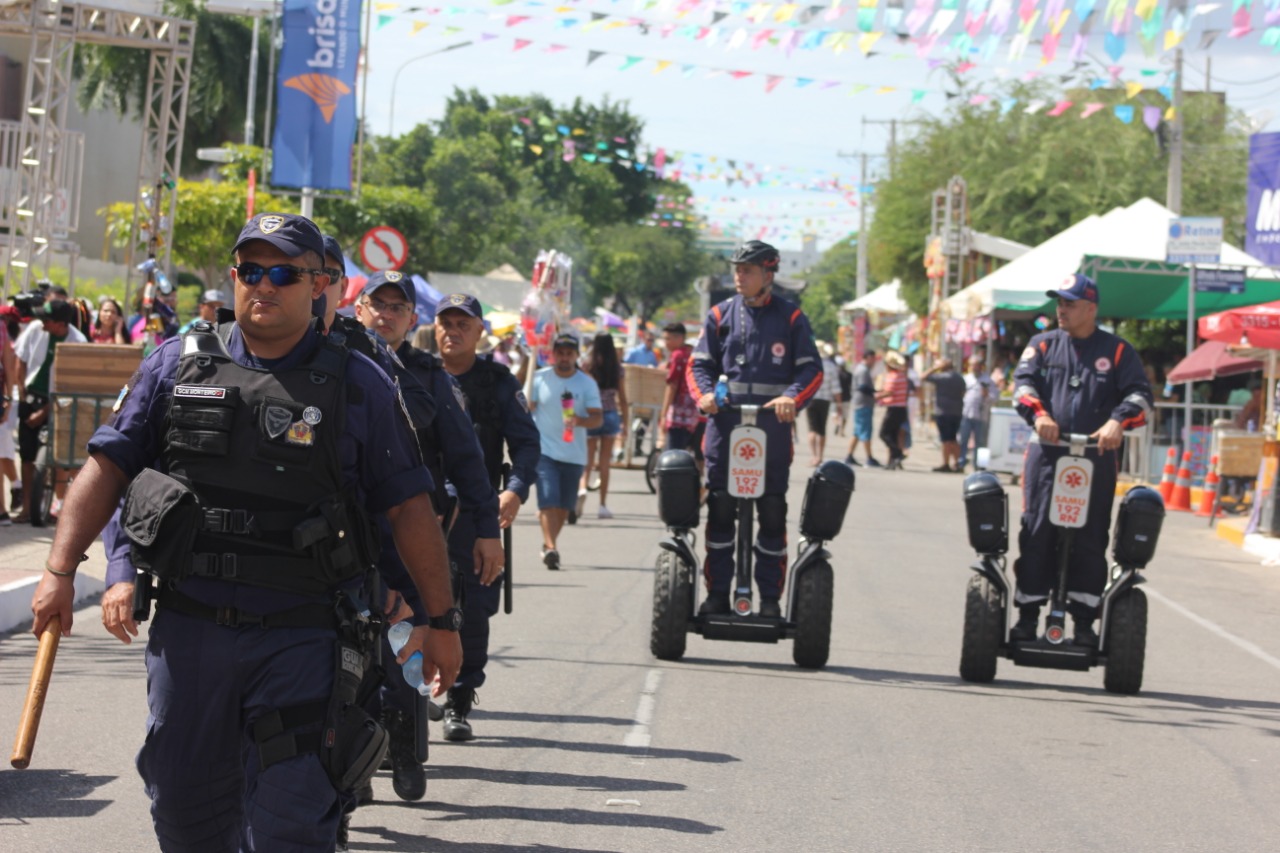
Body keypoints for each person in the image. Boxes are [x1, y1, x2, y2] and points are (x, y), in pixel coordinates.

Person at [28, 212, 463, 851]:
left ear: (319, 285)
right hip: (191, 631)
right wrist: (61, 571)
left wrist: (441, 621)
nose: (264, 285)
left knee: (290, 823)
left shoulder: (359, 382)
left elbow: (409, 510)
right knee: (185, 812)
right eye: (250, 271)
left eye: (283, 272)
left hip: (304, 635)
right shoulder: (176, 364)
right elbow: (110, 468)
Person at [352, 270, 500, 802]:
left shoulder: (428, 376)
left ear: (412, 318)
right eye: (378, 304)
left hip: (409, 538)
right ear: (359, 308)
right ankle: (351, 770)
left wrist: (487, 531)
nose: (387, 315)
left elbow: (467, 457)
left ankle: (407, 748)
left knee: (407, 649)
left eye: (399, 307)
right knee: (347, 655)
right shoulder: (333, 361)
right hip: (345, 534)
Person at [1011, 273, 1152, 646]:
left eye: (1069, 304)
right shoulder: (1041, 345)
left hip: (1095, 457)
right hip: (1047, 456)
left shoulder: (1119, 351)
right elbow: (1022, 386)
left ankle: (1085, 622)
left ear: (1091, 308)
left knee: (1090, 537)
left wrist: (1117, 421)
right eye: (1059, 303)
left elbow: (1140, 396)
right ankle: (1027, 616)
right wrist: (1040, 415)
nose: (1061, 310)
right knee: (1037, 531)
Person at [688, 240, 822, 618]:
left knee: (773, 513)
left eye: (746, 270)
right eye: (737, 269)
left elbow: (812, 370)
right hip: (725, 431)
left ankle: (768, 600)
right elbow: (698, 367)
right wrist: (705, 396)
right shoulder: (720, 315)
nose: (738, 276)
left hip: (772, 435)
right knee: (719, 511)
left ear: (768, 273)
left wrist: (792, 398)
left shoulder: (791, 318)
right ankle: (717, 595)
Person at [434, 293, 541, 741]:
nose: (453, 331)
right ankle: (404, 697)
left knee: (473, 611)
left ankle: (459, 698)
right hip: (422, 508)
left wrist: (514, 492)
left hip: (479, 514)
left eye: (464, 323)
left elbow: (527, 446)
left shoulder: (497, 382)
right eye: (446, 322)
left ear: (480, 331)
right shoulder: (415, 374)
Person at [529, 334, 602, 570]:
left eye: (569, 353)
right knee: (548, 500)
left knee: (563, 507)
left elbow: (597, 418)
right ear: (553, 354)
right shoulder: (539, 378)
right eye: (560, 352)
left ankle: (548, 543)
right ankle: (551, 548)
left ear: (576, 356)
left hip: (574, 454)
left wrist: (578, 420)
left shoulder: (586, 383)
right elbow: (525, 406)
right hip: (543, 451)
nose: (564, 357)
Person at [12, 299, 88, 523]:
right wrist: (22, 393)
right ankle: (26, 508)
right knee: (26, 456)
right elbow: (20, 359)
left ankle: (58, 506)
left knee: (57, 458)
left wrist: (45, 412)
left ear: (61, 324)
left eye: (46, 319)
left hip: (59, 404)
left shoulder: (77, 341)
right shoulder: (35, 329)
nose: (41, 322)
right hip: (30, 397)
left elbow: (71, 384)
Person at [577, 332, 628, 520]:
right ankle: (603, 505)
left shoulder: (587, 365)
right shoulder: (617, 368)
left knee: (587, 460)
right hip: (611, 414)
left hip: (591, 414)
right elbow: (622, 397)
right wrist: (626, 423)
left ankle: (582, 488)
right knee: (605, 463)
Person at [656, 322, 704, 462]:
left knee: (674, 456)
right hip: (697, 413)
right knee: (696, 454)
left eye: (668, 339)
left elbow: (672, 385)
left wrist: (664, 414)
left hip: (679, 414)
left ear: (679, 338)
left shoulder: (678, 355)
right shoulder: (694, 352)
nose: (666, 343)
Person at [922, 357, 966, 472]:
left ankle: (946, 463)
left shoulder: (942, 377)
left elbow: (923, 377)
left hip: (943, 412)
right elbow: (963, 392)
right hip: (956, 412)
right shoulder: (959, 378)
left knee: (946, 439)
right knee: (953, 438)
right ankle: (957, 463)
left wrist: (934, 368)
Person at [957, 354, 996, 471]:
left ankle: (980, 465)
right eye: (972, 365)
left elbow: (995, 397)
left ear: (981, 366)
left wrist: (987, 395)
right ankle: (961, 463)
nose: (974, 367)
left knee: (980, 442)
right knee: (963, 440)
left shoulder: (988, 380)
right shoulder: (966, 379)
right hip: (966, 414)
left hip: (981, 416)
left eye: (976, 365)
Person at [807, 342, 842, 466]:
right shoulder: (831, 367)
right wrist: (839, 404)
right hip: (825, 401)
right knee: (822, 429)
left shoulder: (811, 365)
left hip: (811, 399)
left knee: (812, 429)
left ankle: (813, 456)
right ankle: (820, 456)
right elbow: (836, 388)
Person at [844, 350, 881, 468]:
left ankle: (849, 455)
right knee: (865, 431)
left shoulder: (862, 369)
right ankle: (869, 457)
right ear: (867, 358)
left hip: (861, 403)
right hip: (863, 404)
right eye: (872, 359)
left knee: (858, 431)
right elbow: (863, 387)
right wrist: (876, 392)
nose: (874, 362)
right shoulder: (863, 370)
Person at [876, 350, 910, 471]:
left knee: (883, 434)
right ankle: (892, 461)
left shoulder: (893, 376)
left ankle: (898, 454)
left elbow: (889, 392)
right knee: (893, 436)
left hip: (894, 409)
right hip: (901, 409)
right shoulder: (902, 375)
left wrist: (876, 396)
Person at [833, 355, 852, 436]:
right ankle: (842, 430)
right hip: (846, 397)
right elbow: (852, 386)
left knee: (835, 414)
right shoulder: (849, 375)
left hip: (835, 398)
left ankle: (837, 423)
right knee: (844, 415)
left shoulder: (835, 375)